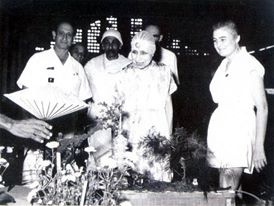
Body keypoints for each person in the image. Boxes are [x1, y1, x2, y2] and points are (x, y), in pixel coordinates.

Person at [207, 20, 268, 191]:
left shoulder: (250, 64)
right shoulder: (223, 63)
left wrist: (258, 147)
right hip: (220, 128)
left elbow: (262, 107)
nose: (218, 45)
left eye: (223, 39)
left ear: (237, 38)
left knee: (226, 189)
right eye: (215, 40)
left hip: (239, 128)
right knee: (232, 190)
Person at [118, 31, 177, 182]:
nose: (138, 58)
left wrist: (168, 137)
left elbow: (168, 106)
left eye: (143, 53)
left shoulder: (164, 72)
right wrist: (120, 140)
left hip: (157, 132)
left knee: (158, 177)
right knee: (133, 177)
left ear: (152, 52)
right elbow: (120, 111)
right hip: (132, 132)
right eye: (134, 52)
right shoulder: (124, 74)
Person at [84, 29, 131, 165]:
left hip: (123, 117)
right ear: (103, 46)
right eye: (107, 43)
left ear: (120, 45)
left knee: (121, 156)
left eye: (114, 43)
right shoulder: (91, 65)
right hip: (97, 116)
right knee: (99, 156)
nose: (110, 46)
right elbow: (84, 90)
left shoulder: (128, 65)